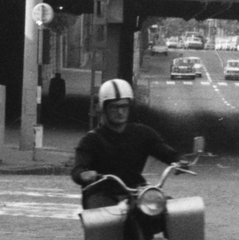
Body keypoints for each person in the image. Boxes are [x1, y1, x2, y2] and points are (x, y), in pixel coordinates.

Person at [72, 79, 187, 208]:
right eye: (114, 107)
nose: (120, 112)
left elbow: (166, 152)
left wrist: (179, 161)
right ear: (104, 109)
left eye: (124, 106)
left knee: (171, 210)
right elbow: (78, 169)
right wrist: (84, 175)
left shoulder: (142, 133)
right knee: (103, 217)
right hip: (102, 193)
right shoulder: (91, 140)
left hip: (136, 190)